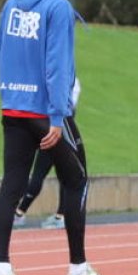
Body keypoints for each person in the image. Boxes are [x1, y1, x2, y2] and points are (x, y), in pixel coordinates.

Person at [0, 0, 120, 275]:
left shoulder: (13, 2)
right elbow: (57, 65)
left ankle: (2, 268)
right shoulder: (58, 8)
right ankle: (78, 269)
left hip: (13, 106)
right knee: (77, 180)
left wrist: (10, 95)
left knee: (11, 185)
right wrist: (57, 116)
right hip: (43, 111)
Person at [14, 77, 83, 230]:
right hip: (61, 131)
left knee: (41, 173)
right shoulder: (71, 80)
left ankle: (21, 213)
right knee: (62, 176)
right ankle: (60, 215)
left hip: (54, 130)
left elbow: (65, 108)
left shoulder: (58, 80)